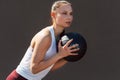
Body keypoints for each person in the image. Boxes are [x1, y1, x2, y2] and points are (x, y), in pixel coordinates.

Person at [6, 0, 79, 80]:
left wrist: (68, 56)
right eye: (64, 13)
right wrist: (59, 55)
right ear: (53, 15)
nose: (69, 17)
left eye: (71, 14)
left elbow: (49, 67)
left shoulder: (60, 37)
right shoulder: (45, 36)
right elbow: (34, 69)